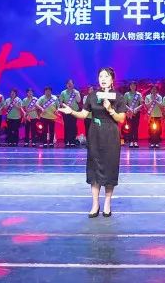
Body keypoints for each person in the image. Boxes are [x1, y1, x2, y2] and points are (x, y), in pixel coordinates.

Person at [59, 67, 126, 218]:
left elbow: (121, 119)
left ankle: (107, 203)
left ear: (112, 79)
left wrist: (110, 109)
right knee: (94, 169)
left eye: (106, 76)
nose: (103, 79)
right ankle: (95, 204)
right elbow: (84, 114)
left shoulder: (118, 97)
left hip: (111, 134)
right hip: (95, 133)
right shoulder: (92, 96)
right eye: (101, 76)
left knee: (110, 168)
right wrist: (72, 112)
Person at [59, 79, 82, 147]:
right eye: (68, 84)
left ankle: (72, 141)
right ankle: (67, 141)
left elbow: (79, 100)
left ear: (73, 84)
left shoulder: (76, 92)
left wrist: (76, 93)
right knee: (67, 125)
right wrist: (66, 107)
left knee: (73, 126)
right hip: (66, 112)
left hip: (74, 111)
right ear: (66, 85)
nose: (69, 85)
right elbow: (60, 102)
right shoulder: (63, 92)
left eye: (71, 83)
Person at [123, 82, 143, 148]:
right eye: (131, 85)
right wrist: (130, 109)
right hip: (129, 113)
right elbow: (124, 104)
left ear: (136, 86)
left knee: (136, 127)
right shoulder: (126, 94)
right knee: (130, 127)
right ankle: (131, 141)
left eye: (134, 85)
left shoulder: (139, 94)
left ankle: (136, 141)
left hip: (136, 112)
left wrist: (136, 109)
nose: (133, 86)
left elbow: (141, 104)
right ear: (129, 86)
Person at [145, 84, 164, 149]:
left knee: (158, 129)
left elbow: (161, 105)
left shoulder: (159, 97)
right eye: (153, 89)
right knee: (151, 130)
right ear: (151, 90)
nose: (154, 90)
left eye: (155, 89)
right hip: (151, 116)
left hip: (158, 115)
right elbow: (147, 106)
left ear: (157, 90)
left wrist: (156, 100)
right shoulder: (147, 97)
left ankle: (157, 142)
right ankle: (152, 142)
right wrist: (152, 101)